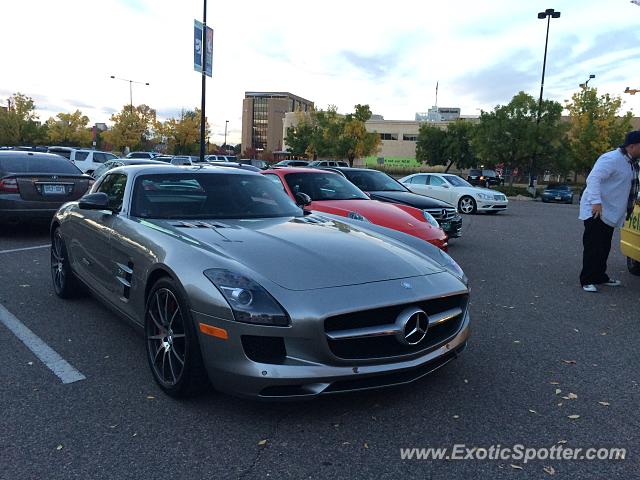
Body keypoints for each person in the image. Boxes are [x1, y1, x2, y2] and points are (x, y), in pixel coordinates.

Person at [579, 130, 640, 292]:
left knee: (604, 245)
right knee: (593, 245)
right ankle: (587, 279)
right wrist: (596, 202)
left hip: (609, 211)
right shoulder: (612, 159)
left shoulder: (631, 163)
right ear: (632, 146)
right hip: (596, 209)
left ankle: (599, 276)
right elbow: (593, 179)